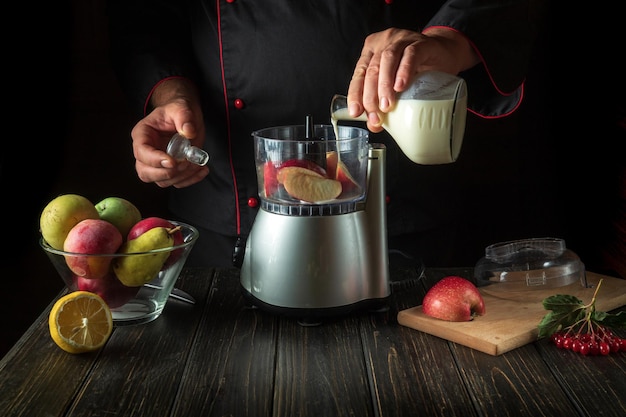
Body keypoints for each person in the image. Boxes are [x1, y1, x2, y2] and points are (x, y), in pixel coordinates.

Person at [106, 0, 547, 268]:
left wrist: (448, 41)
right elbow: (145, 15)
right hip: (228, 216)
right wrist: (171, 95)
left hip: (404, 229)